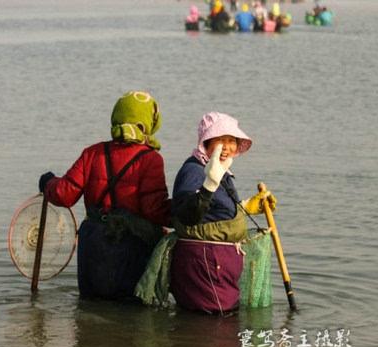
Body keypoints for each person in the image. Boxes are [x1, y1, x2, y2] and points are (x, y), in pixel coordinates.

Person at [39, 91, 171, 300]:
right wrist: (185, 211)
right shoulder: (151, 159)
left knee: (90, 306)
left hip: (93, 243)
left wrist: (48, 183)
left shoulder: (92, 153)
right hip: (131, 246)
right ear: (149, 123)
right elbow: (153, 209)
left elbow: (64, 194)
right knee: (127, 311)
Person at [169, 112, 276, 314]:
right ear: (207, 142)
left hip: (217, 270)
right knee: (214, 331)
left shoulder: (220, 169)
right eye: (221, 140)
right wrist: (209, 184)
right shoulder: (194, 170)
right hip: (206, 266)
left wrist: (248, 207)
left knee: (221, 332)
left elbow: (217, 212)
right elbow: (187, 215)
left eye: (231, 141)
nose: (227, 147)